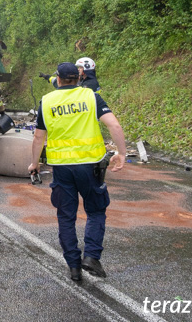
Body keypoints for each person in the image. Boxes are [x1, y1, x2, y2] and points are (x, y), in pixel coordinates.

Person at [28, 62, 126, 282]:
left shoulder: (47, 101)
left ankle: (74, 266)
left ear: (59, 80)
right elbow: (115, 126)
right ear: (79, 78)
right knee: (96, 211)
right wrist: (122, 152)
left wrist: (34, 163)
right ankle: (91, 256)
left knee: (66, 216)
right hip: (91, 165)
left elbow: (38, 137)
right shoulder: (91, 97)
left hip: (62, 168)